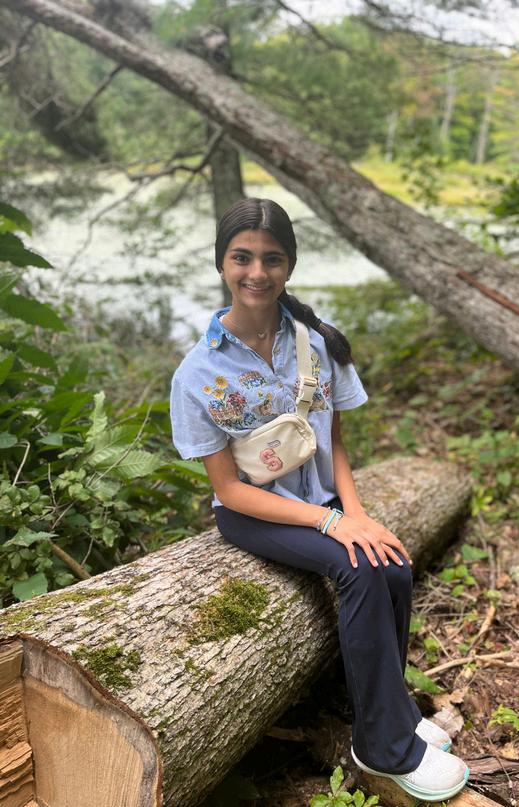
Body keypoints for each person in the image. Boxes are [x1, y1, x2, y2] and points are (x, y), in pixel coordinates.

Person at [169, 197, 469, 802]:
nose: (257, 272)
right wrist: (332, 525)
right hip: (252, 514)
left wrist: (356, 514)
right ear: (221, 264)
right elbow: (228, 490)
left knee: (392, 563)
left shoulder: (318, 342)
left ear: (291, 264)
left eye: (272, 258)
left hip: (326, 502)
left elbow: (335, 442)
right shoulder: (197, 374)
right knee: (357, 568)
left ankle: (391, 710)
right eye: (242, 258)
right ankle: (382, 748)